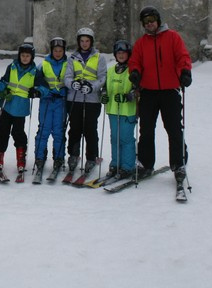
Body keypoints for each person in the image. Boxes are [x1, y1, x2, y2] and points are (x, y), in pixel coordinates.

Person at [128, 6, 192, 185]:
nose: (149, 24)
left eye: (152, 20)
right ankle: (145, 163)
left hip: (170, 91)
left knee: (174, 128)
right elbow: (135, 61)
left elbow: (182, 57)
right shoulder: (141, 43)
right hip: (148, 91)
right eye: (146, 22)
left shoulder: (173, 37)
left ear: (158, 20)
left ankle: (178, 163)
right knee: (146, 129)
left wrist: (185, 71)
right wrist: (135, 72)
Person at [0, 43, 44, 178]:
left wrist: (36, 92)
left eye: (27, 56)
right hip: (8, 104)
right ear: (19, 56)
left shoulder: (35, 72)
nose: (25, 58)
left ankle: (21, 156)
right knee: (3, 131)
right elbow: (4, 81)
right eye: (22, 55)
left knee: (18, 133)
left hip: (21, 108)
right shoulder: (12, 67)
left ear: (32, 57)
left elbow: (42, 87)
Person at [63, 27, 107, 175]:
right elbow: (67, 77)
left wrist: (92, 87)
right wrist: (72, 84)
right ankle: (73, 155)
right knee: (75, 129)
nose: (84, 43)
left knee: (90, 129)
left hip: (92, 100)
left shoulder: (99, 58)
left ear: (91, 42)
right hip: (75, 98)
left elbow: (102, 78)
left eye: (87, 41)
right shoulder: (72, 58)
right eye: (82, 41)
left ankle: (91, 157)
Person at [32, 37, 68, 178]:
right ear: (51, 51)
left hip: (61, 102)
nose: (58, 53)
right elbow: (37, 82)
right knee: (43, 130)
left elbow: (71, 82)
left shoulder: (69, 64)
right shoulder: (43, 64)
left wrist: (64, 92)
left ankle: (58, 158)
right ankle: (40, 158)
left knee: (59, 131)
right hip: (46, 102)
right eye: (55, 50)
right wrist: (44, 91)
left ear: (64, 51)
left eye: (60, 51)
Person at [102, 40, 137, 180]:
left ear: (129, 54)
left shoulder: (133, 70)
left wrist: (127, 97)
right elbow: (105, 87)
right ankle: (115, 164)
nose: (121, 55)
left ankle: (127, 166)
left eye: (124, 53)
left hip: (127, 112)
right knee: (115, 138)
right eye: (119, 53)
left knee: (126, 139)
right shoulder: (111, 70)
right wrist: (104, 95)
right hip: (113, 110)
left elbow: (138, 90)